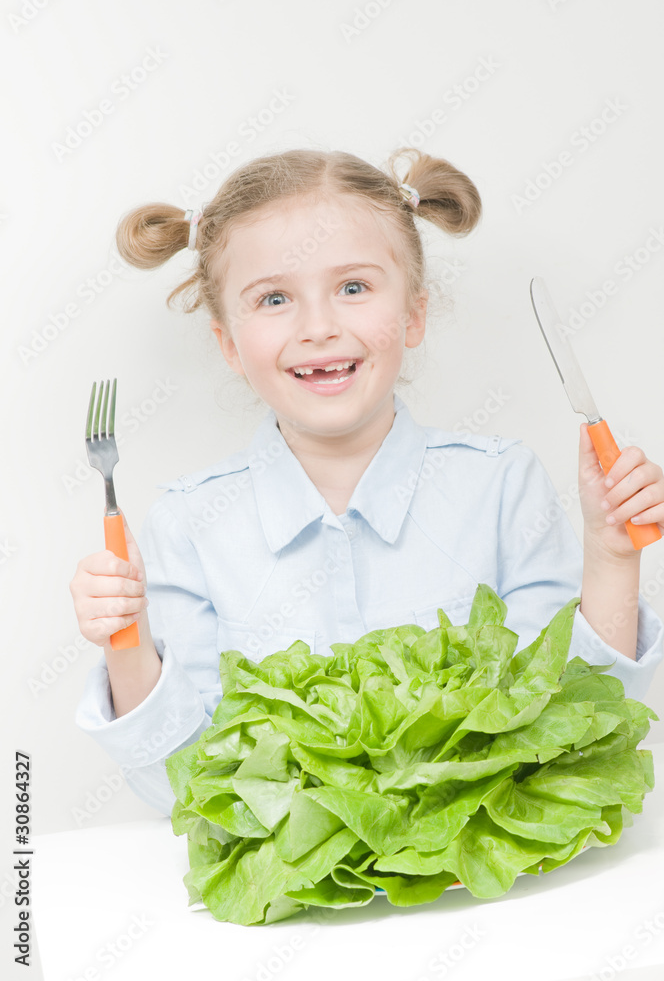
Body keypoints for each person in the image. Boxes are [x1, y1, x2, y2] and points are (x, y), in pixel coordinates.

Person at [70, 147, 664, 817]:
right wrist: (127, 643)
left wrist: (613, 562)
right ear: (229, 344)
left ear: (413, 315)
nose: (319, 328)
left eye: (353, 288)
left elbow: (579, 728)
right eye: (274, 299)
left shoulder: (500, 484)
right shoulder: (190, 522)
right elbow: (181, 788)